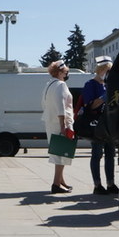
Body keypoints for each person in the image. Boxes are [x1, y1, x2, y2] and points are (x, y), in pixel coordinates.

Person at [83, 55, 117, 196]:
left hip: (109, 124)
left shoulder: (107, 85)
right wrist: (104, 97)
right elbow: (90, 105)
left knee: (110, 154)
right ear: (102, 69)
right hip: (96, 125)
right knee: (97, 154)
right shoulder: (90, 84)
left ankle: (110, 183)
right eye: (107, 70)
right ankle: (97, 185)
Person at [42, 60, 74, 194]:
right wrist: (64, 125)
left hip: (50, 122)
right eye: (66, 71)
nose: (67, 73)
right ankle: (56, 184)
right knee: (62, 153)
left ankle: (61, 181)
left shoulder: (49, 85)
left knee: (57, 152)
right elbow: (61, 105)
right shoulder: (61, 85)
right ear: (60, 72)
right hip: (61, 122)